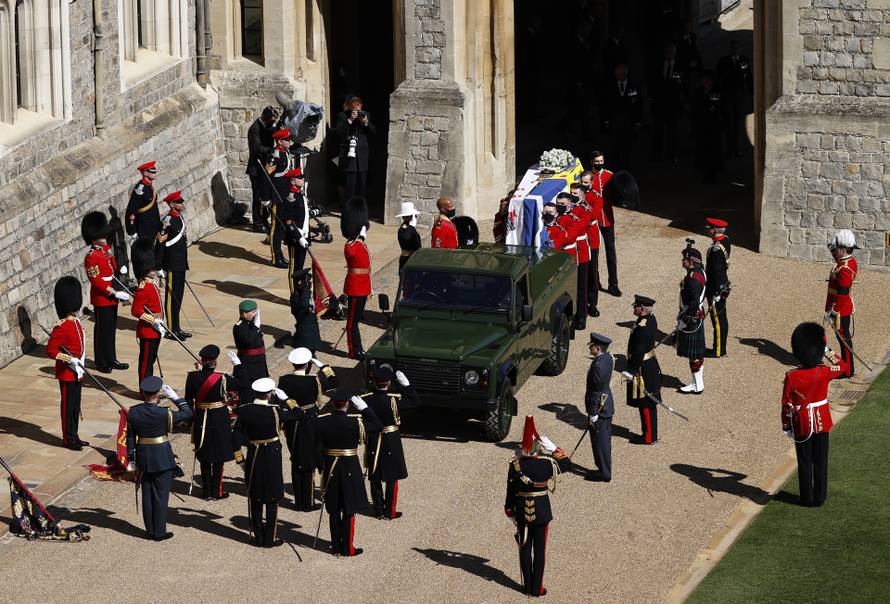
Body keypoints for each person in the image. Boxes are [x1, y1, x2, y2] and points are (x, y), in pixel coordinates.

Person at [783, 323, 849, 507]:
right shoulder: (824, 372)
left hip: (802, 423)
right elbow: (843, 366)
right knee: (821, 461)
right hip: (822, 421)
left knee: (804, 461)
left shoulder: (792, 376)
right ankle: (820, 497)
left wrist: (787, 427)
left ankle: (806, 498)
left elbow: (786, 405)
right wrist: (826, 349)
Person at [233, 377, 305, 547]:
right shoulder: (275, 411)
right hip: (272, 455)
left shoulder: (244, 410)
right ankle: (269, 538)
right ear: (270, 394)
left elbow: (234, 438)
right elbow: (299, 414)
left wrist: (240, 460)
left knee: (256, 495)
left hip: (254, 454)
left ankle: (258, 537)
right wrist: (287, 399)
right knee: (272, 497)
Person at [504, 416, 570, 597]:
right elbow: (567, 464)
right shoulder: (546, 463)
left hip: (521, 512)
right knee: (540, 551)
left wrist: (510, 511)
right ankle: (537, 588)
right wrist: (554, 448)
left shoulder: (515, 465)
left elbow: (510, 491)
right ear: (538, 447)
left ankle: (527, 586)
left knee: (524, 549)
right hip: (541, 512)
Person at [316, 388, 383, 557]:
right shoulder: (355, 423)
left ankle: (335, 547)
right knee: (348, 508)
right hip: (349, 468)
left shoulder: (323, 422)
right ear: (347, 404)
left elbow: (316, 445)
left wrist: (321, 466)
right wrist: (365, 409)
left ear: (333, 404)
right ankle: (347, 548)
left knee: (333, 509)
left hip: (330, 468)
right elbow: (378, 425)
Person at [126, 375, 193, 541]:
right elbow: (187, 413)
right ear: (158, 394)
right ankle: (159, 532)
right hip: (162, 457)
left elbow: (130, 437)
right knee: (161, 496)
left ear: (143, 393)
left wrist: (131, 458)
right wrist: (176, 398)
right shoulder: (164, 413)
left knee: (147, 496)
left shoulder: (133, 411)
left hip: (143, 457)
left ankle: (149, 531)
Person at [277, 347, 337, 511]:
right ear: (308, 364)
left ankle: (299, 501)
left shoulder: (284, 380)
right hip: (310, 423)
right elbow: (334, 381)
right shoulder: (313, 381)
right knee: (309, 460)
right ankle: (308, 502)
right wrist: (322, 366)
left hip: (292, 423)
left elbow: (280, 402)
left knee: (296, 458)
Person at [362, 365, 420, 520]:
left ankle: (378, 510)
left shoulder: (366, 399)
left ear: (374, 382)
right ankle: (390, 511)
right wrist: (407, 386)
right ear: (388, 382)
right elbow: (415, 401)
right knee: (392, 477)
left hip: (374, 438)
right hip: (390, 439)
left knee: (375, 475)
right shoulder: (392, 400)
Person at [184, 344, 236, 501]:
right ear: (215, 362)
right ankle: (217, 491)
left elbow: (188, 400)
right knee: (218, 456)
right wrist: (238, 366)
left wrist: (192, 419)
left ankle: (206, 492)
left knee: (204, 454)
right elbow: (242, 384)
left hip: (201, 417)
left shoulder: (192, 377)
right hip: (219, 418)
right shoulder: (222, 378)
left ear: (202, 361)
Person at [82, 211, 130, 373]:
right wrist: (113, 293)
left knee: (110, 329)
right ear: (93, 238)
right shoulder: (91, 256)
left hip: (112, 292)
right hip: (102, 297)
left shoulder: (105, 249)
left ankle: (111, 358)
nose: (104, 237)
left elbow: (112, 261)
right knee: (102, 330)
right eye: (101, 235)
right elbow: (96, 281)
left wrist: (119, 268)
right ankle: (101, 361)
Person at [46, 277, 88, 451]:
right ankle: (68, 439)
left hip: (77, 371)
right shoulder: (61, 326)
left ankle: (75, 436)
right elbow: (51, 350)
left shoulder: (76, 322)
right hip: (67, 373)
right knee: (68, 407)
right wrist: (69, 359)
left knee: (75, 407)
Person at [623, 295, 662, 445]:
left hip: (642, 367)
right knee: (647, 402)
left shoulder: (642, 327)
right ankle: (650, 434)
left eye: (636, 306)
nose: (634, 308)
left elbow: (638, 352)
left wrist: (631, 370)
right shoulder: (649, 319)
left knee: (645, 402)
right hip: (648, 364)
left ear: (643, 309)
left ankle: (649, 437)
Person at [131, 238, 167, 385]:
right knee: (146, 364)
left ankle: (150, 389)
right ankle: (144, 391)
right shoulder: (143, 287)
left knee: (150, 361)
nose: (154, 270)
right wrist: (153, 320)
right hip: (148, 330)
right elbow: (136, 311)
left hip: (156, 328)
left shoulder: (151, 283)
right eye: (152, 268)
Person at [155, 191, 191, 341]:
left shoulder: (179, 217)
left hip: (180, 263)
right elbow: (160, 245)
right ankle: (171, 330)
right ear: (171, 204)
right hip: (171, 264)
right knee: (171, 298)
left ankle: (177, 328)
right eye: (179, 202)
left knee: (178, 297)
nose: (182, 204)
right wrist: (158, 266)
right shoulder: (167, 221)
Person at [825, 229, 858, 378]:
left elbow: (843, 294)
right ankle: (847, 367)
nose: (835, 251)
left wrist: (834, 312)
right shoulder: (848, 261)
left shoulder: (844, 269)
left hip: (840, 310)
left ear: (843, 250)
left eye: (837, 249)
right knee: (843, 339)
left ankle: (847, 370)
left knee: (844, 340)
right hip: (840, 308)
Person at [555, 192, 589, 331]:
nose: (559, 206)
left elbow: (569, 237)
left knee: (579, 288)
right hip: (557, 256)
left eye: (562, 204)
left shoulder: (573, 218)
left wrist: (553, 239)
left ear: (569, 204)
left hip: (570, 254)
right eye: (558, 204)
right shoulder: (555, 216)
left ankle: (581, 316)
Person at [342, 204, 371, 360]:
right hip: (355, 287)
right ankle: (354, 350)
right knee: (352, 322)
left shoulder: (358, 243)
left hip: (362, 286)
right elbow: (352, 252)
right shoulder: (351, 245)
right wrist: (360, 237)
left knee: (356, 319)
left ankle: (358, 348)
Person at [589, 151, 621, 297]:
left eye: (601, 161)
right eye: (597, 161)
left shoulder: (610, 175)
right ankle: (595, 282)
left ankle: (613, 284)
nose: (600, 163)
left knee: (611, 252)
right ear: (592, 162)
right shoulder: (587, 177)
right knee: (594, 252)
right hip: (593, 219)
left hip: (607, 218)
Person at [600, 63, 642, 170]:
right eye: (618, 74)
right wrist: (606, 119)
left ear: (626, 74)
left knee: (627, 146)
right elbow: (606, 104)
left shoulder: (634, 86)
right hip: (615, 121)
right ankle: (615, 167)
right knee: (614, 146)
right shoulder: (610, 86)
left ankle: (626, 167)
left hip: (629, 121)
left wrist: (638, 121)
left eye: (623, 74)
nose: (620, 76)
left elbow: (639, 104)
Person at [677, 246, 707, 394]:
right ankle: (698, 383)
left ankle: (697, 385)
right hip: (697, 317)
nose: (682, 261)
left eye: (685, 259)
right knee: (696, 355)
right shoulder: (699, 272)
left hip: (692, 318)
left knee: (693, 356)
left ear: (692, 262)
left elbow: (694, 302)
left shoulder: (692, 280)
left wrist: (685, 319)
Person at [650, 42, 686, 163]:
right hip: (659, 103)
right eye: (668, 52)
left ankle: (672, 154)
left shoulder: (680, 66)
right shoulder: (657, 65)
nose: (670, 54)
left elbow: (684, 85)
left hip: (674, 104)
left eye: (672, 52)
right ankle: (656, 154)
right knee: (658, 130)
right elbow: (653, 82)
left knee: (673, 131)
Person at [335, 96, 375, 204]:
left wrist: (366, 122)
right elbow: (339, 132)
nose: (357, 111)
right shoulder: (343, 116)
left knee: (361, 187)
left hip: (362, 157)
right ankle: (348, 209)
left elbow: (373, 132)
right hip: (349, 157)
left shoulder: (365, 115)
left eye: (359, 108)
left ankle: (359, 209)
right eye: (354, 108)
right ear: (350, 107)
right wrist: (350, 120)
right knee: (349, 187)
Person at [716, 39, 753, 158]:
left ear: (740, 48)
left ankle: (737, 149)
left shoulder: (744, 60)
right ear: (730, 49)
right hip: (727, 96)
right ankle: (729, 150)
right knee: (729, 124)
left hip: (739, 96)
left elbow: (748, 76)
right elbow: (719, 78)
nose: (735, 50)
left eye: (737, 47)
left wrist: (752, 93)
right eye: (733, 47)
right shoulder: (723, 62)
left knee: (738, 124)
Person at [264, 128, 296, 268]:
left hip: (285, 194)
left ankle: (280, 255)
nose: (289, 141)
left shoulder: (285, 152)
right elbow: (267, 178)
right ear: (279, 141)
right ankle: (276, 258)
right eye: (287, 140)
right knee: (276, 229)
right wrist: (266, 197)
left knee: (282, 228)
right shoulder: (274, 156)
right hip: (277, 195)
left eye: (289, 139)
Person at [585, 333, 614, 481]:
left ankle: (604, 473)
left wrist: (592, 412)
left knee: (600, 443)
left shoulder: (597, 366)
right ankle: (602, 469)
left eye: (591, 346)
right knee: (601, 441)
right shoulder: (607, 358)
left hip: (600, 408)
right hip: (605, 403)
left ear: (597, 348)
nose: (590, 348)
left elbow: (595, 391)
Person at [247, 106, 279, 233]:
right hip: (256, 168)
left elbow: (274, 133)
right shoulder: (254, 129)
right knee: (258, 196)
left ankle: (265, 220)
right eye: (271, 121)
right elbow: (256, 148)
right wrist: (271, 150)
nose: (272, 124)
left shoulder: (267, 126)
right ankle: (258, 224)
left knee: (267, 194)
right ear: (265, 118)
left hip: (267, 166)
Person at [278, 167, 310, 294]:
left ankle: (299, 291)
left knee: (300, 267)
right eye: (299, 178)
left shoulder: (300, 194)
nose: (302, 179)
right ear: (292, 181)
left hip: (304, 236)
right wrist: (299, 237)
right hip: (295, 238)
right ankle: (293, 294)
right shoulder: (290, 197)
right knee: (294, 268)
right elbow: (288, 221)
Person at [692, 71, 725, 183]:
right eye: (704, 80)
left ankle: (712, 174)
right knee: (703, 150)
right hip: (701, 126)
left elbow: (720, 107)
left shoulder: (716, 92)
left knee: (713, 150)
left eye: (708, 80)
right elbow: (695, 109)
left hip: (713, 126)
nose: (706, 82)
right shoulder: (698, 92)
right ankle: (704, 172)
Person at [705, 218, 731, 358]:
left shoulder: (715, 249)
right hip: (722, 285)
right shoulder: (725, 240)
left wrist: (717, 291)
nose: (708, 230)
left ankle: (718, 350)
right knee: (721, 318)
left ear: (715, 230)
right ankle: (721, 349)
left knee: (718, 320)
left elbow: (717, 272)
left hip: (716, 288)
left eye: (709, 228)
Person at [576, 177, 601, 317]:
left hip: (591, 239)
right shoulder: (575, 199)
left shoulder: (595, 196)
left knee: (592, 272)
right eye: (582, 182)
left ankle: (593, 303)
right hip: (579, 241)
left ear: (591, 183)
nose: (583, 184)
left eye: (586, 182)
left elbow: (594, 215)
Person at [233, 299, 269, 394]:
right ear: (245, 314)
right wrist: (256, 327)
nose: (255, 314)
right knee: (250, 391)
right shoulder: (239, 327)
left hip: (259, 362)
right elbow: (248, 340)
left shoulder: (251, 324)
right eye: (253, 312)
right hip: (249, 365)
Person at [125, 161, 161, 241]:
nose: (155, 173)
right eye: (152, 172)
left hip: (153, 225)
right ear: (145, 173)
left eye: (155, 171)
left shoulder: (150, 187)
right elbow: (131, 210)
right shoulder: (140, 190)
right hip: (144, 228)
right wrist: (132, 231)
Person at [289, 268, 322, 353]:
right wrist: (306, 290)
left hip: (311, 334)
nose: (310, 283)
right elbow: (304, 306)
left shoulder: (304, 294)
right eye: (308, 281)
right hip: (305, 337)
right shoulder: (298, 296)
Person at [395, 201, 422, 272]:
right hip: (408, 258)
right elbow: (406, 238)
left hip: (412, 257)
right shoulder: (405, 228)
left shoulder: (407, 227)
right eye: (412, 216)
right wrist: (411, 227)